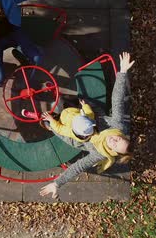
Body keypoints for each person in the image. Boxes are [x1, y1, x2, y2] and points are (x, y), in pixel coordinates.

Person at [40, 52, 135, 198]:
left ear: (113, 151)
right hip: (85, 114)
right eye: (119, 139)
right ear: (121, 135)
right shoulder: (118, 125)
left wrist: (57, 183)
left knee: (50, 122)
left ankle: (43, 121)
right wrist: (122, 73)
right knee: (68, 103)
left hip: (73, 135)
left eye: (115, 145)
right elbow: (117, 99)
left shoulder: (99, 153)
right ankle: (57, 97)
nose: (114, 140)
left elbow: (78, 166)